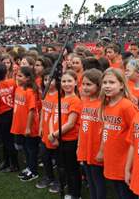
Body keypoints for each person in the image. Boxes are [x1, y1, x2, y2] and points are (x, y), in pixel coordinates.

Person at [98, 68, 137, 199]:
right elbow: (106, 132)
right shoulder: (107, 104)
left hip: (125, 161)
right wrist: (102, 151)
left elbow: (136, 134)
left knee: (126, 193)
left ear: (121, 85)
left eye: (111, 82)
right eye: (105, 82)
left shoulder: (126, 106)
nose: (107, 86)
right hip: (112, 159)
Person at [48, 70, 82, 199]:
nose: (66, 84)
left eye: (69, 81)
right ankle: (68, 189)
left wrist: (54, 135)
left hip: (70, 140)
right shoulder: (60, 99)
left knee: (72, 169)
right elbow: (52, 117)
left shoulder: (75, 101)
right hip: (58, 139)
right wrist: (52, 135)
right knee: (63, 167)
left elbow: (70, 123)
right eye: (64, 81)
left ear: (75, 83)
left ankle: (75, 194)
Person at [77, 69, 106, 199]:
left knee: (97, 180)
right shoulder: (85, 101)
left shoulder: (103, 104)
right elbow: (82, 127)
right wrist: (79, 146)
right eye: (83, 84)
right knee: (89, 179)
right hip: (85, 147)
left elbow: (106, 130)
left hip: (96, 149)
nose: (85, 87)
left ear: (98, 85)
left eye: (89, 84)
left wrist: (102, 151)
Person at [12, 66, 40, 181]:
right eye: (17, 75)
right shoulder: (18, 88)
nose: (17, 77)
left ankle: (33, 171)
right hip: (20, 124)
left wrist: (28, 127)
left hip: (30, 126)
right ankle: (29, 167)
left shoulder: (30, 92)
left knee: (31, 149)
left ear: (28, 78)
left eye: (20, 76)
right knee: (25, 148)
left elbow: (32, 110)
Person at [37, 68, 59, 192]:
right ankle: (49, 177)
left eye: (51, 79)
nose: (47, 82)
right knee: (45, 156)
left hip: (54, 132)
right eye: (45, 79)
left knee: (58, 159)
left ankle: (59, 181)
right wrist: (40, 126)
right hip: (45, 130)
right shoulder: (44, 94)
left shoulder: (59, 95)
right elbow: (43, 111)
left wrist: (54, 134)